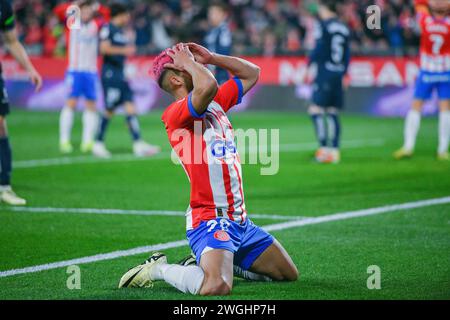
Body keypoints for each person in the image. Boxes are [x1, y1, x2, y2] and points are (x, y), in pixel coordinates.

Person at [118, 43, 298, 295]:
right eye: (185, 64)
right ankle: (157, 269)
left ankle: (216, 261)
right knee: (217, 286)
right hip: (210, 219)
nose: (195, 63)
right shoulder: (175, 115)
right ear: (175, 79)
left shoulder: (215, 104)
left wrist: (212, 57)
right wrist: (190, 62)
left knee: (287, 274)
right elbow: (208, 85)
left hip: (239, 220)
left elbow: (252, 73)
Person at [93, 2, 160, 158]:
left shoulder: (119, 31)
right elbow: (103, 49)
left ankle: (138, 143)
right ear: (121, 14)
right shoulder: (107, 28)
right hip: (110, 75)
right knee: (109, 108)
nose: (128, 17)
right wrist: (125, 50)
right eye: (126, 14)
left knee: (131, 107)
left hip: (121, 74)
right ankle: (98, 143)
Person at [394, 0, 450, 161]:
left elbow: (419, 2)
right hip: (446, 72)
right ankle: (442, 150)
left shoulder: (424, 20)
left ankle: (408, 146)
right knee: (445, 109)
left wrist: (431, 3)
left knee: (416, 106)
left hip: (427, 71)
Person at [0, 0, 42, 205]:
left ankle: (4, 186)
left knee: (0, 125)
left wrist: (30, 68)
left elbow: (11, 40)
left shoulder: (4, 6)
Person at [55, 0, 109, 154]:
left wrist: (96, 6)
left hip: (91, 72)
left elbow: (108, 15)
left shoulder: (96, 25)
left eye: (88, 11)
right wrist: (78, 3)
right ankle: (64, 140)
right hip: (75, 70)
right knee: (70, 103)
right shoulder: (73, 23)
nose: (85, 13)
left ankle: (87, 141)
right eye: (82, 11)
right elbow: (59, 10)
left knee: (91, 106)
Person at [307, 0, 350, 164]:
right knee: (332, 111)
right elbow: (347, 54)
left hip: (325, 72)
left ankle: (324, 150)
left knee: (315, 109)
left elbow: (319, 48)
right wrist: (345, 73)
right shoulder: (344, 27)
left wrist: (308, 64)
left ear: (324, 8)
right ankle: (335, 151)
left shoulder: (323, 25)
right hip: (338, 73)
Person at [204, 1, 232, 84]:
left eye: (214, 13)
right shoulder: (211, 31)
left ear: (223, 15)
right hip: (209, 74)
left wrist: (213, 68)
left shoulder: (224, 31)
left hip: (219, 75)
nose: (211, 16)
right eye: (210, 13)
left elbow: (224, 54)